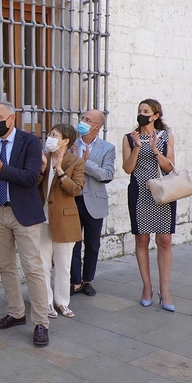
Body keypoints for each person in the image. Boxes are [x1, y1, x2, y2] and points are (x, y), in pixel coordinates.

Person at [0, 101, 51, 347]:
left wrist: (1, 168)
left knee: (33, 268)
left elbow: (30, 177)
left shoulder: (29, 141)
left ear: (11, 118)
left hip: (24, 214)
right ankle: (16, 312)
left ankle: (41, 323)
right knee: (5, 267)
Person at [122, 99, 177, 312]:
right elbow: (127, 169)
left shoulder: (166, 136)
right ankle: (147, 289)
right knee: (142, 240)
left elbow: (170, 167)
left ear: (155, 115)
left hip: (163, 191)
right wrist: (137, 147)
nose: (142, 114)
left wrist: (155, 150)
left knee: (164, 240)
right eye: (139, 110)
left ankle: (165, 291)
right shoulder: (129, 138)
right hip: (139, 191)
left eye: (146, 111)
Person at [38, 123, 85, 319]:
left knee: (63, 265)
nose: (50, 137)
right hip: (41, 219)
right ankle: (46, 302)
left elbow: (76, 189)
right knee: (42, 264)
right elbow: (33, 185)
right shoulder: (42, 158)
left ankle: (62, 302)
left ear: (65, 140)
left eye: (54, 135)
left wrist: (58, 169)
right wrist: (42, 169)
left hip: (65, 220)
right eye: (50, 134)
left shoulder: (75, 162)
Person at [70, 110, 116, 297]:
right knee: (73, 243)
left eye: (88, 120)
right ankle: (74, 281)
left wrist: (85, 164)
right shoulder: (71, 143)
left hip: (94, 201)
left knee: (92, 243)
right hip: (72, 199)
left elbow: (107, 175)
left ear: (97, 126)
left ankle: (87, 280)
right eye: (82, 118)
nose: (83, 122)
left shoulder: (108, 148)